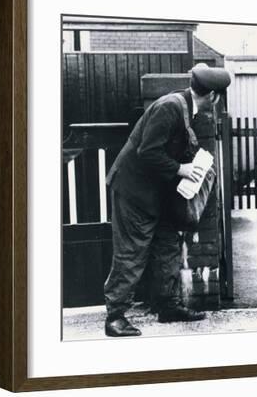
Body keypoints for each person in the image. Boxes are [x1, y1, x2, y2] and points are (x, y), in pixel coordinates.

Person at [103, 63, 231, 337]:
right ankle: (115, 317)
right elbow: (147, 151)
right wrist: (180, 169)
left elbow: (170, 147)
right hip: (134, 193)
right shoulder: (170, 107)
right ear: (213, 97)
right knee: (132, 252)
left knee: (168, 245)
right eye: (221, 99)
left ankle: (168, 306)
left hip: (155, 194)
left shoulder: (184, 108)